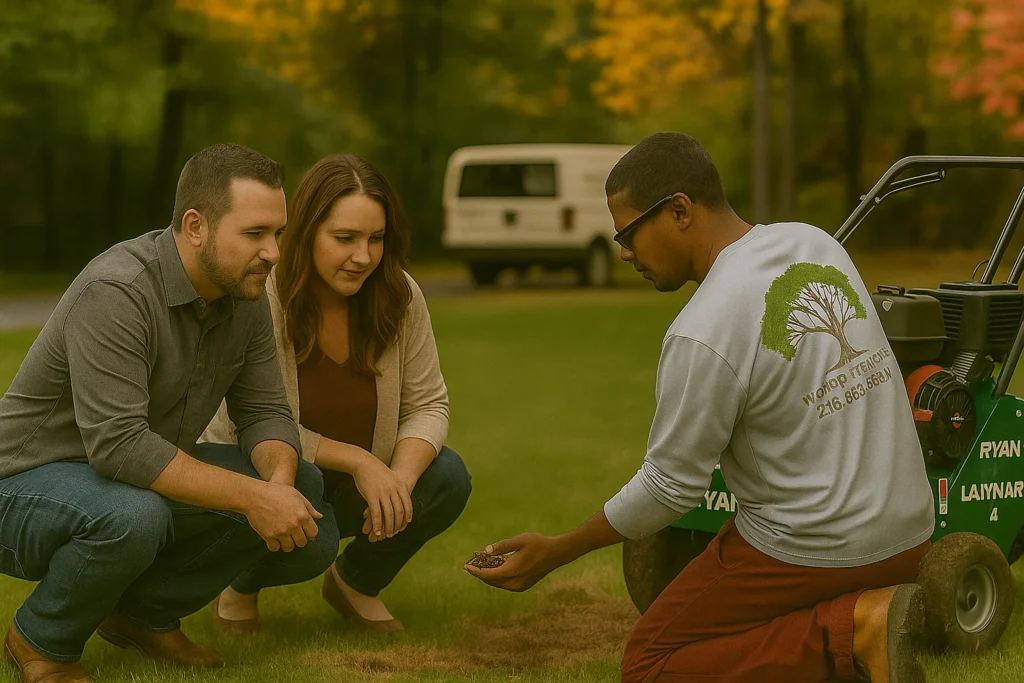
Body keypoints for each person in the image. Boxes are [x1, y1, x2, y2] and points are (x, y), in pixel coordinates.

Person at [465, 132, 935, 683]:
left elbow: (670, 489)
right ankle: (865, 612)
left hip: (814, 550)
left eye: (628, 232)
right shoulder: (814, 244)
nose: (623, 251)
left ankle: (858, 627)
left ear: (680, 210)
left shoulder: (704, 328)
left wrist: (557, 550)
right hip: (911, 536)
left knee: (649, 664)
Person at [0, 143, 341, 683]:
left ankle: (141, 615)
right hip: (21, 485)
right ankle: (42, 637)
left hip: (120, 482)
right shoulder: (117, 291)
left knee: (310, 504)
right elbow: (119, 446)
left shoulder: (245, 294)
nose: (274, 252)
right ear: (195, 226)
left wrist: (277, 485)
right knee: (134, 515)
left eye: (278, 233)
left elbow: (265, 411)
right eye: (255, 234)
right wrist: (255, 499)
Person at [202, 154, 471, 635]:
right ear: (306, 233)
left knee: (447, 475)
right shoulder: (261, 298)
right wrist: (361, 462)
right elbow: (250, 422)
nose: (364, 256)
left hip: (353, 487)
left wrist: (399, 483)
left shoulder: (400, 296)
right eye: (344, 238)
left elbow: (429, 403)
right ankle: (240, 583)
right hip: (266, 475)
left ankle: (356, 583)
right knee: (311, 518)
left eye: (376, 238)